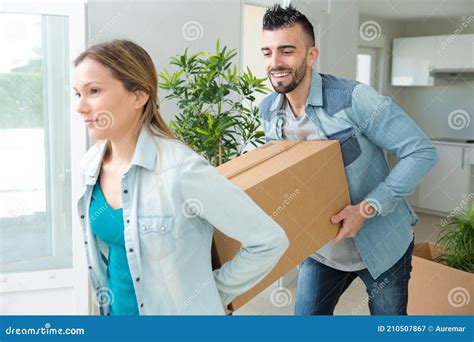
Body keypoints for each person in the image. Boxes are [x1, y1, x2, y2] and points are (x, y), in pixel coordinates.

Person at [74, 39, 289, 315]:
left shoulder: (181, 170)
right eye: (77, 94)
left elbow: (268, 240)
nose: (81, 107)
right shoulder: (90, 165)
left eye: (93, 91)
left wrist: (210, 296)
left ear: (139, 96)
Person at [259, 4, 438, 315]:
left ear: (311, 55)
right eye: (267, 52)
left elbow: (421, 151)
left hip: (383, 248)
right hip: (322, 252)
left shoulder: (354, 99)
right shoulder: (268, 111)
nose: (275, 62)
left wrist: (365, 208)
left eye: (286, 51)